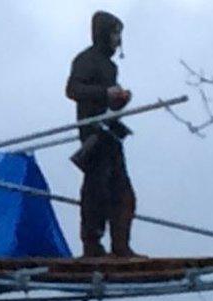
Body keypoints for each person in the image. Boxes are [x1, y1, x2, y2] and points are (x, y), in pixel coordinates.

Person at [65, 10, 142, 258]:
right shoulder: (85, 60)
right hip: (93, 135)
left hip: (110, 133)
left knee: (122, 191)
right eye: (115, 33)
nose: (118, 39)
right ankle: (92, 245)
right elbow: (73, 89)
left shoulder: (110, 66)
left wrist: (119, 100)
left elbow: (106, 101)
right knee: (96, 190)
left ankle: (120, 245)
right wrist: (105, 93)